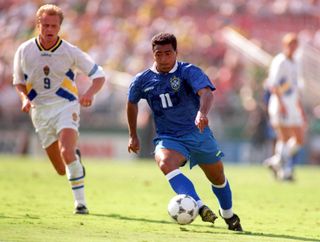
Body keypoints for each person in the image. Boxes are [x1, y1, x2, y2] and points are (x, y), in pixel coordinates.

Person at [126, 32, 242, 231]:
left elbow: (206, 93)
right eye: (158, 54)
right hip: (169, 137)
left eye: (168, 53)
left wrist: (201, 113)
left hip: (197, 132)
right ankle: (199, 205)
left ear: (176, 52)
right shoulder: (142, 80)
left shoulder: (189, 71)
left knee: (218, 178)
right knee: (164, 162)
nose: (163, 59)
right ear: (153, 54)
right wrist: (133, 134)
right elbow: (131, 103)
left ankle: (229, 215)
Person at [13, 4, 105, 214]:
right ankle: (75, 162)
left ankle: (80, 204)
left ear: (59, 27)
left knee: (67, 152)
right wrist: (23, 98)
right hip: (39, 111)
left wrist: (90, 93)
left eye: (53, 25)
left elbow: (99, 76)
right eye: (45, 25)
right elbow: (18, 82)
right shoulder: (24, 50)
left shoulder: (70, 51)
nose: (49, 29)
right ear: (38, 25)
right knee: (60, 169)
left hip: (66, 106)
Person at [264, 32, 306, 181]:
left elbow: (295, 87)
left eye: (295, 45)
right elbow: (273, 84)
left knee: (299, 138)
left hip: (293, 103)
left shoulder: (296, 62)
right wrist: (281, 104)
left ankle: (276, 161)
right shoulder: (279, 61)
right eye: (291, 45)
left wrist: (299, 105)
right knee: (285, 136)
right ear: (285, 46)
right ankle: (286, 171)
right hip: (280, 103)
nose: (293, 48)